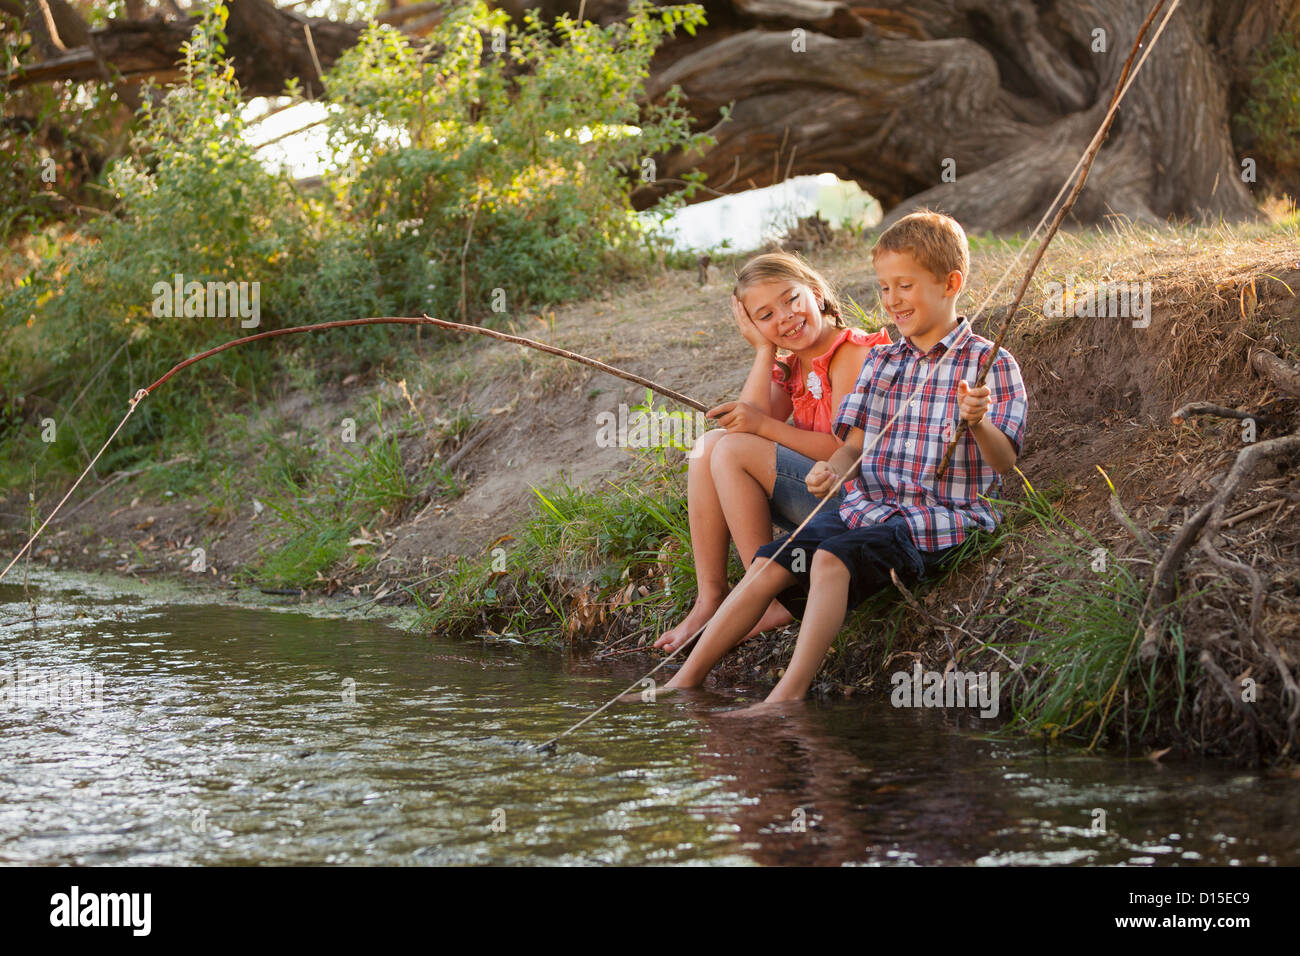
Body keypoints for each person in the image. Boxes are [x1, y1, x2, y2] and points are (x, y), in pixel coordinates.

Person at [659, 210, 1028, 709]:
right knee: (771, 562)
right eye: (884, 288)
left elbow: (1004, 464)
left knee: (831, 559)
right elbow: (854, 445)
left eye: (905, 286)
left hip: (939, 518)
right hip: (868, 507)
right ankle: (683, 682)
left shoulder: (990, 363)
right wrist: (833, 469)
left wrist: (978, 421)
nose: (892, 300)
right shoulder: (884, 361)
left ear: (951, 283)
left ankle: (783, 700)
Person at [655, 251, 891, 652]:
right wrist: (763, 351)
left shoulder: (851, 353)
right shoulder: (795, 366)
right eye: (765, 316)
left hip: (862, 504)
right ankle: (711, 597)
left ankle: (764, 595)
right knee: (708, 447)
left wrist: (763, 426)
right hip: (820, 497)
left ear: (816, 293)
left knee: (729, 451)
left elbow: (843, 449)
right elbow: (748, 420)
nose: (784, 317)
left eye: (791, 299)